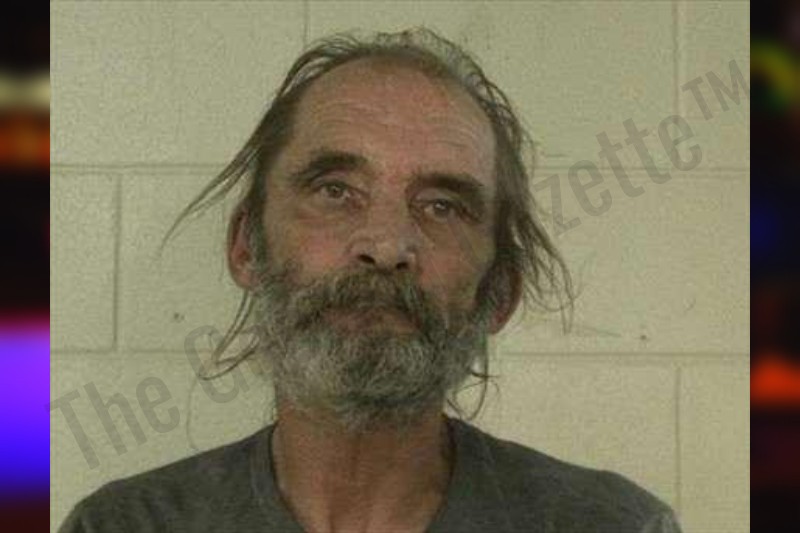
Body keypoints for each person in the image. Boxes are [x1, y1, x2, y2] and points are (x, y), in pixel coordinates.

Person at [59, 28, 682, 533]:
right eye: (336, 191)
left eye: (442, 206)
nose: (385, 245)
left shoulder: (612, 526)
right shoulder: (121, 526)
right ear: (246, 246)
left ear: (501, 291)